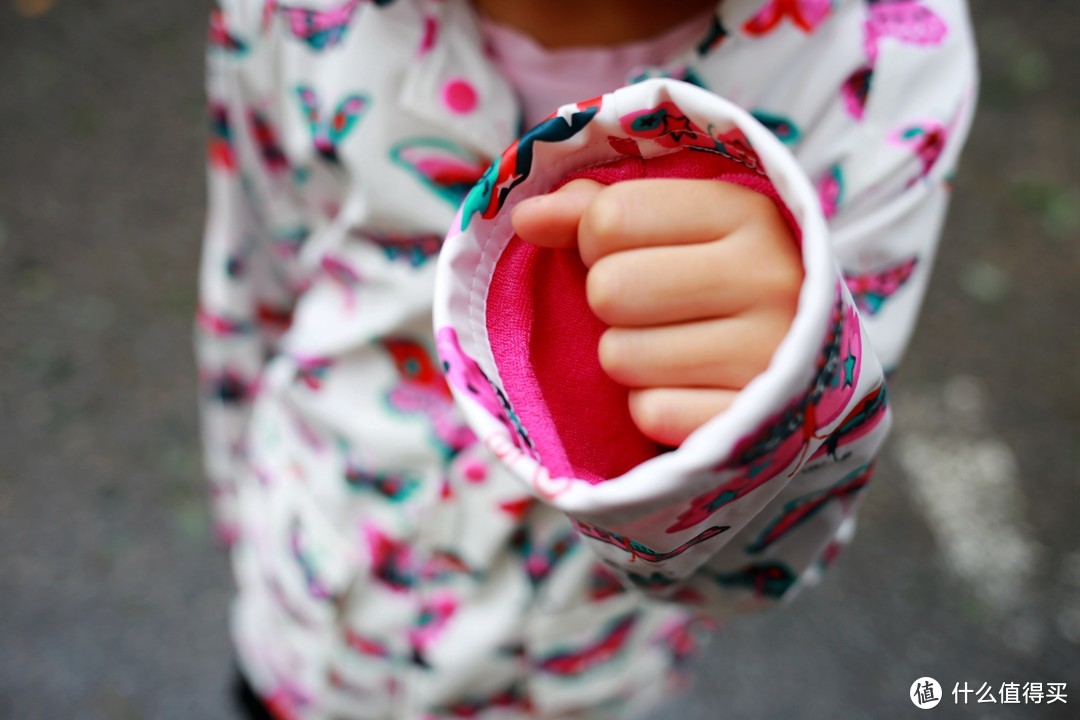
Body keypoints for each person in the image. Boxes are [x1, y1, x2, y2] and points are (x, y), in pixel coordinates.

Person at [198, 0, 977, 717]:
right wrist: (249, 521)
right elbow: (252, 282)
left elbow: (753, 566)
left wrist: (785, 398)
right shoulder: (296, 15)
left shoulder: (882, 59)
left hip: (576, 682)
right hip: (310, 625)